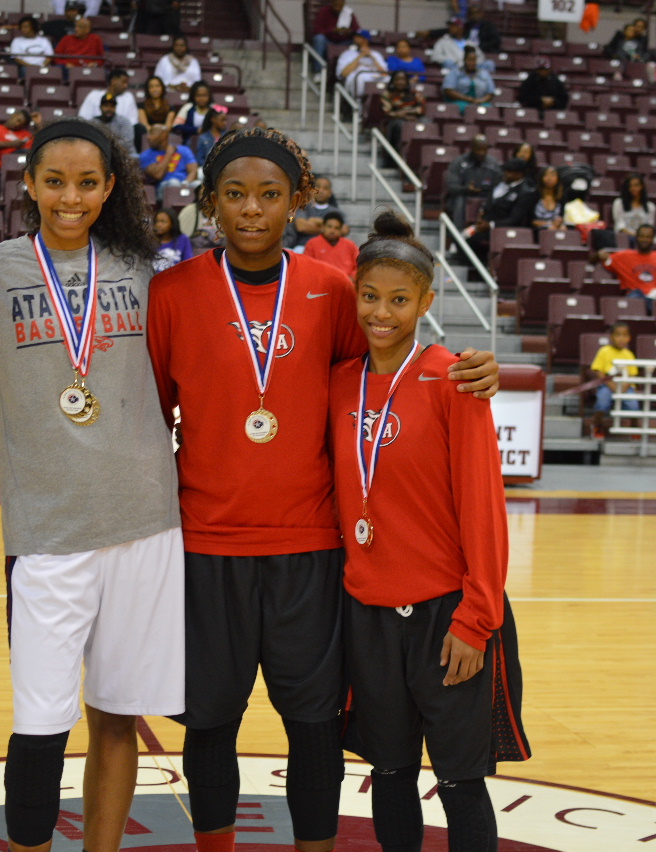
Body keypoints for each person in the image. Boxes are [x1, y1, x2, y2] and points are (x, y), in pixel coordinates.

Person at [145, 127, 499, 852]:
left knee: (312, 726)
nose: (251, 210)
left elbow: (380, 383)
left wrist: (472, 370)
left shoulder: (336, 292)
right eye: (235, 195)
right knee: (210, 720)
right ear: (209, 202)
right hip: (206, 548)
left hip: (313, 552)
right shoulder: (172, 293)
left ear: (297, 202)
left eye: (270, 195)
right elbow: (148, 424)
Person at [0, 116, 183, 852]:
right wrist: (25, 414)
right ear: (30, 186)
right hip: (47, 531)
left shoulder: (144, 270)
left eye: (86, 183)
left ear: (110, 188)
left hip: (145, 520)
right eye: (54, 181)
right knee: (40, 724)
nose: (69, 197)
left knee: (116, 713)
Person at [330, 210, 527, 852]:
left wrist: (477, 619)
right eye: (369, 296)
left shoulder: (453, 379)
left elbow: (485, 511)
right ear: (353, 293)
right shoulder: (339, 383)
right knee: (388, 772)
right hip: (369, 615)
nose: (381, 312)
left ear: (425, 302)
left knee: (461, 781)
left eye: (398, 300)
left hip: (449, 618)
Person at [467, 157, 534, 264]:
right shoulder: (500, 182)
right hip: (485, 224)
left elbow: (514, 219)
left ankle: (481, 272)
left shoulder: (525, 192)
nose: (505, 174)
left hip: (504, 229)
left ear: (519, 174)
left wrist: (490, 225)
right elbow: (488, 202)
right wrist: (481, 214)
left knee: (473, 240)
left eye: (509, 172)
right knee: (464, 235)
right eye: (505, 171)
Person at [597, 224, 656, 301]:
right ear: (636, 237)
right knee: (636, 296)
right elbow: (603, 258)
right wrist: (600, 254)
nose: (644, 240)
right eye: (642, 236)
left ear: (653, 239)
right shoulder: (623, 256)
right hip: (636, 297)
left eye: (648, 237)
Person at [588, 321, 639, 437]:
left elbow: (632, 374)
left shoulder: (629, 354)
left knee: (634, 406)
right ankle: (597, 425)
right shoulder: (604, 351)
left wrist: (624, 387)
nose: (622, 339)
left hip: (626, 387)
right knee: (602, 402)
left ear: (629, 338)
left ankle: (635, 427)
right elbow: (598, 370)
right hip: (607, 385)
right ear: (611, 337)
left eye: (625, 335)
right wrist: (611, 385)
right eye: (618, 335)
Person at [443, 134, 500, 229]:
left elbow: (499, 185)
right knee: (459, 199)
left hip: (487, 196)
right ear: (472, 148)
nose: (482, 153)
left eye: (484, 150)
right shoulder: (459, 162)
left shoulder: (493, 163)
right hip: (464, 195)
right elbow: (452, 187)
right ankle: (458, 234)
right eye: (479, 149)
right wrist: (466, 189)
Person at [141, 124, 200, 201]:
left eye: (152, 133)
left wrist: (186, 183)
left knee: (199, 185)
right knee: (174, 183)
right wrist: (168, 154)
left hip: (185, 183)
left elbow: (193, 171)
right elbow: (158, 175)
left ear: (163, 135)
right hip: (164, 186)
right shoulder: (146, 155)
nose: (148, 137)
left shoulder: (184, 150)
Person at [286, 175, 344, 252]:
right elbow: (301, 227)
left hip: (327, 247)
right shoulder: (302, 207)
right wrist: (328, 227)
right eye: (318, 187)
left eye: (325, 188)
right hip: (303, 246)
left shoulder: (336, 211)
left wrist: (314, 221)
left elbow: (343, 230)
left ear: (330, 193)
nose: (321, 190)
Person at [379, 70, 425, 157]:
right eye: (397, 79)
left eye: (403, 79)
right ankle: (398, 155)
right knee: (400, 124)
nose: (400, 82)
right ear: (393, 81)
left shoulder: (415, 94)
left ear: (407, 81)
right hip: (394, 122)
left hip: (414, 118)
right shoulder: (387, 95)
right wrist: (402, 116)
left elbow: (421, 109)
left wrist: (405, 113)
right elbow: (387, 112)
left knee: (426, 123)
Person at [304, 211, 359, 277]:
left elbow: (359, 266)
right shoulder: (312, 243)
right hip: (320, 282)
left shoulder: (350, 245)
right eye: (329, 227)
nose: (332, 231)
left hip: (346, 283)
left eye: (336, 228)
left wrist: (352, 278)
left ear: (341, 230)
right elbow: (307, 266)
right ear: (323, 227)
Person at [336, 30, 388, 99]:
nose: (355, 38)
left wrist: (373, 58)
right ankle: (359, 105)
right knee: (360, 78)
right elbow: (343, 74)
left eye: (359, 37)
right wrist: (360, 56)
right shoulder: (347, 54)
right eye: (355, 36)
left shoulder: (376, 54)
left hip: (375, 79)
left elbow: (385, 74)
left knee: (388, 80)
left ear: (365, 40)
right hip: (357, 79)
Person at [442, 47, 494, 113]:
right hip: (461, 101)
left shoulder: (484, 73)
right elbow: (448, 90)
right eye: (469, 60)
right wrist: (467, 99)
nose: (472, 63)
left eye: (474, 60)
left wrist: (481, 100)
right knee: (460, 108)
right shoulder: (455, 72)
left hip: (479, 102)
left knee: (488, 109)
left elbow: (491, 93)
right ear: (464, 60)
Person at [611, 173, 656, 243]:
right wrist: (635, 235)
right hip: (625, 238)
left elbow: (650, 226)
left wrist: (642, 237)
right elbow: (620, 225)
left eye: (636, 185)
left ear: (642, 186)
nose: (633, 188)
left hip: (644, 239)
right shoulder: (619, 203)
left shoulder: (650, 206)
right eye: (630, 186)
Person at [531, 166, 566, 232]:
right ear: (541, 178)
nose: (549, 178)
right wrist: (549, 224)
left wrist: (558, 222)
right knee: (551, 229)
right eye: (546, 175)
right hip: (537, 229)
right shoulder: (533, 195)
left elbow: (561, 216)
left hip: (555, 227)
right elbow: (530, 220)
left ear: (558, 179)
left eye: (552, 175)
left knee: (563, 229)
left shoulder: (561, 196)